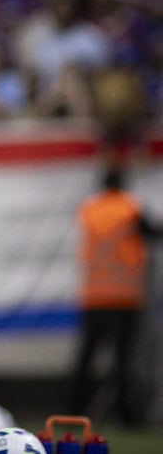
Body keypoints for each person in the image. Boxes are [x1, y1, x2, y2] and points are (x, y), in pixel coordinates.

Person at [71, 165, 160, 424]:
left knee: (85, 360)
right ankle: (127, 415)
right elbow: (152, 232)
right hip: (124, 297)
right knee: (123, 361)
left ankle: (74, 409)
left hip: (93, 296)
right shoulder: (131, 208)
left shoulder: (90, 209)